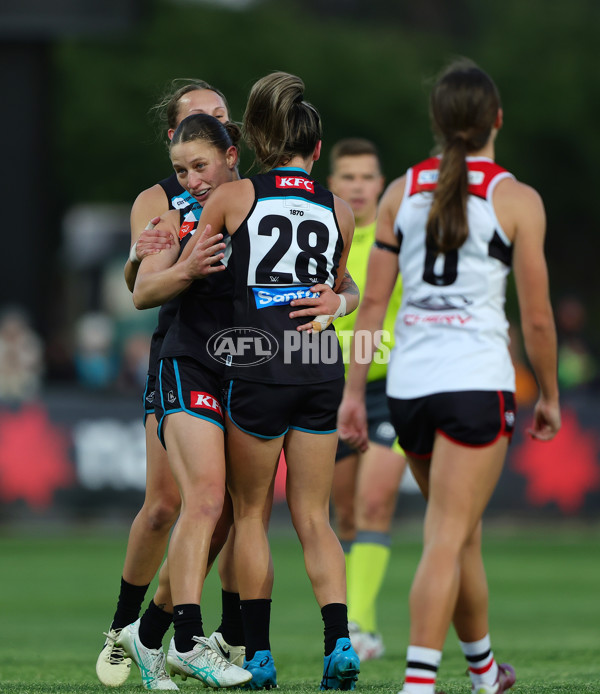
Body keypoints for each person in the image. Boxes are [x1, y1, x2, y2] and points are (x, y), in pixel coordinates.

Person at [337, 59, 560, 694]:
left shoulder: (399, 192)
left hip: (408, 389)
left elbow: (373, 306)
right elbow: (538, 319)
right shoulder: (516, 198)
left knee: (460, 534)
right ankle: (419, 683)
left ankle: (486, 670)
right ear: (496, 119)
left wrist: (355, 391)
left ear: (436, 122)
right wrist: (548, 393)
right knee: (446, 536)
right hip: (474, 383)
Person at [131, 104, 360, 689]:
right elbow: (340, 284)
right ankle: (338, 638)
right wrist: (340, 304)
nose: (191, 180)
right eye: (182, 170)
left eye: (197, 166)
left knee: (246, 512)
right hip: (315, 360)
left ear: (247, 147)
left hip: (256, 359)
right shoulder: (339, 207)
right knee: (311, 515)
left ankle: (248, 649)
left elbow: (157, 282)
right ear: (317, 146)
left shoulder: (233, 201)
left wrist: (162, 256)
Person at [96, 81, 245, 691]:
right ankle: (127, 628)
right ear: (174, 138)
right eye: (198, 120)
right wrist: (149, 261)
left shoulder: (242, 191)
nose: (212, 125)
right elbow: (141, 283)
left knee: (229, 508)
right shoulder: (162, 199)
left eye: (220, 118)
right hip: (181, 353)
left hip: (241, 356)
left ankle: (192, 634)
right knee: (167, 505)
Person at [327, 138, 407, 661]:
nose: (358, 186)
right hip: (328, 387)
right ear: (332, 183)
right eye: (348, 177)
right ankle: (349, 625)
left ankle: (362, 627)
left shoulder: (397, 236)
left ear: (381, 184)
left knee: (375, 503)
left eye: (367, 177)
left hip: (390, 387)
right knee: (345, 516)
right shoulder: (321, 238)